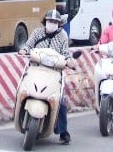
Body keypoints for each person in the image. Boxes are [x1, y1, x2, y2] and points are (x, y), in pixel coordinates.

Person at [19, 9, 72, 145]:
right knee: (22, 91)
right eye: (50, 21)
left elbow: (66, 53)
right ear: (45, 21)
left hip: (54, 72)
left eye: (55, 22)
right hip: (35, 68)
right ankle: (18, 114)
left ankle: (63, 131)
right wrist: (24, 50)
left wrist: (69, 61)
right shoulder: (37, 32)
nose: (52, 24)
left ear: (59, 24)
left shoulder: (63, 36)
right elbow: (28, 45)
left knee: (60, 101)